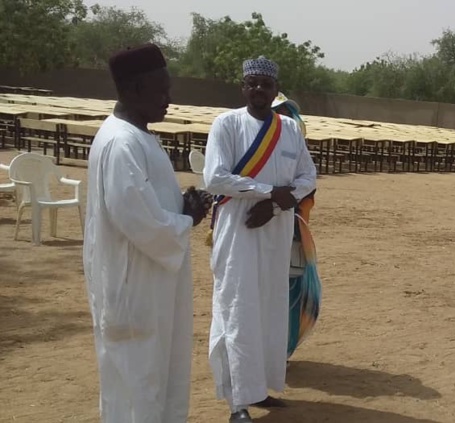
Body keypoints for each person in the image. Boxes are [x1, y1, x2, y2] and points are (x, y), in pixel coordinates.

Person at [82, 43, 212, 423]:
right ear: (136, 88)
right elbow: (137, 219)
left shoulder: (137, 136)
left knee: (154, 380)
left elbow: (149, 203)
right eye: (162, 90)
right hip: (135, 289)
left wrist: (184, 204)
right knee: (138, 387)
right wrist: (187, 218)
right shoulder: (122, 142)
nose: (169, 100)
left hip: (150, 284)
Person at [203, 56, 317, 423]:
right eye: (252, 84)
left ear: (274, 89)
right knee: (237, 308)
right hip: (239, 229)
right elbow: (215, 178)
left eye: (265, 85)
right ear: (243, 87)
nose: (258, 91)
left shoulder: (290, 128)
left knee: (269, 308)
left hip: (276, 228)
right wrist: (268, 193)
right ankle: (237, 401)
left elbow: (307, 176)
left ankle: (261, 389)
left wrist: (277, 204)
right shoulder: (227, 124)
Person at [271, 92, 322, 360]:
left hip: (292, 232)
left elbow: (307, 189)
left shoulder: (298, 155)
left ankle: (281, 349)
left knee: (288, 291)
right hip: (268, 231)